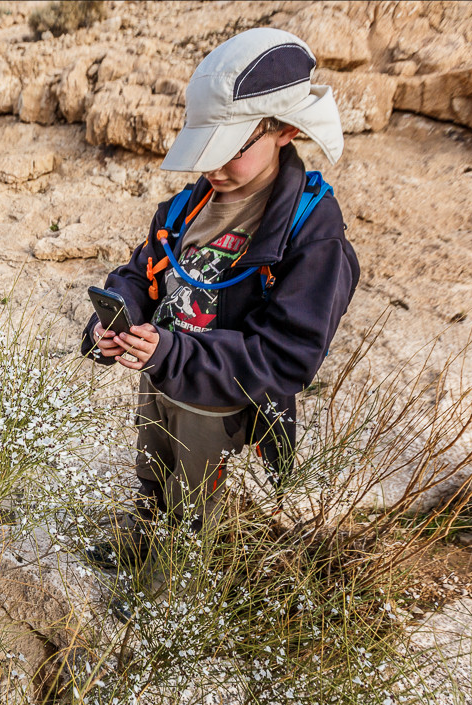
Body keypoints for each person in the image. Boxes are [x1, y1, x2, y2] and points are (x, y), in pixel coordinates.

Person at [80, 28, 359, 582]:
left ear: (281, 129)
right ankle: (142, 542)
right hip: (161, 379)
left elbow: (286, 357)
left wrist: (174, 354)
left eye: (232, 148)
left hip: (224, 410)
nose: (215, 165)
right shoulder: (186, 207)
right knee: (154, 474)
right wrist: (116, 318)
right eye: (208, 147)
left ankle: (165, 601)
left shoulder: (312, 233)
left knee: (195, 507)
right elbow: (143, 272)